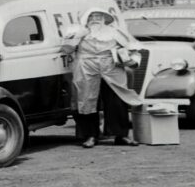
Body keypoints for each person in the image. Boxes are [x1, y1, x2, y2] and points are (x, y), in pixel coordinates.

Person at [61, 9, 144, 148]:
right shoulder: (79, 32)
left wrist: (132, 61)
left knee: (117, 100)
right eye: (92, 16)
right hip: (86, 66)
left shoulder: (116, 32)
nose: (95, 19)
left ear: (105, 19)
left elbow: (133, 49)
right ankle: (90, 135)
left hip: (111, 66)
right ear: (86, 19)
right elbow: (66, 49)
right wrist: (75, 37)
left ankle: (121, 135)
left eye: (99, 16)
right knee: (86, 100)